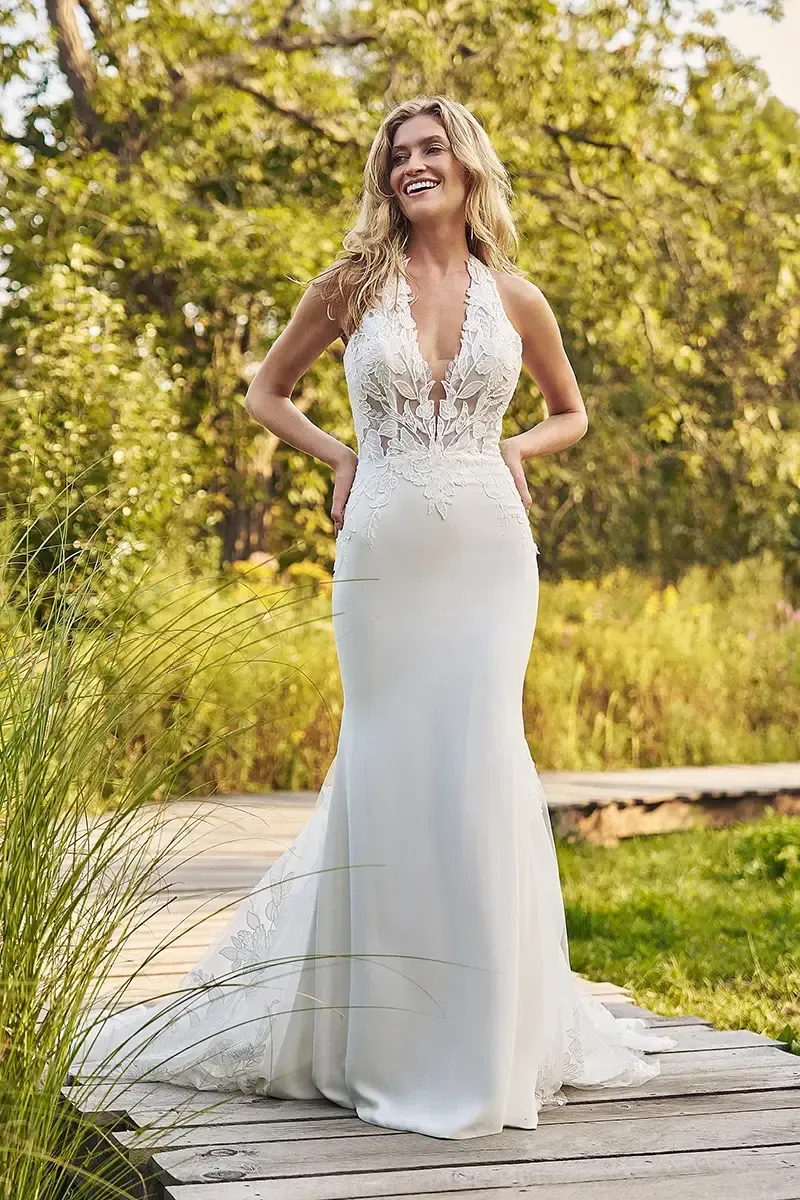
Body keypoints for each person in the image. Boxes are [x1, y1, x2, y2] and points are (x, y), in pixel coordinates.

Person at [69, 94, 675, 1140]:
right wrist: (342, 455)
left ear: (467, 164)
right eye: (398, 155)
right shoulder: (348, 287)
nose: (413, 166)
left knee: (481, 760)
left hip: (488, 555)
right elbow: (267, 392)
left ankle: (487, 1035)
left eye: (431, 149)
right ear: (383, 175)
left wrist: (515, 451)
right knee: (389, 764)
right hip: (384, 551)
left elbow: (568, 412)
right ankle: (385, 1036)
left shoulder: (516, 295)